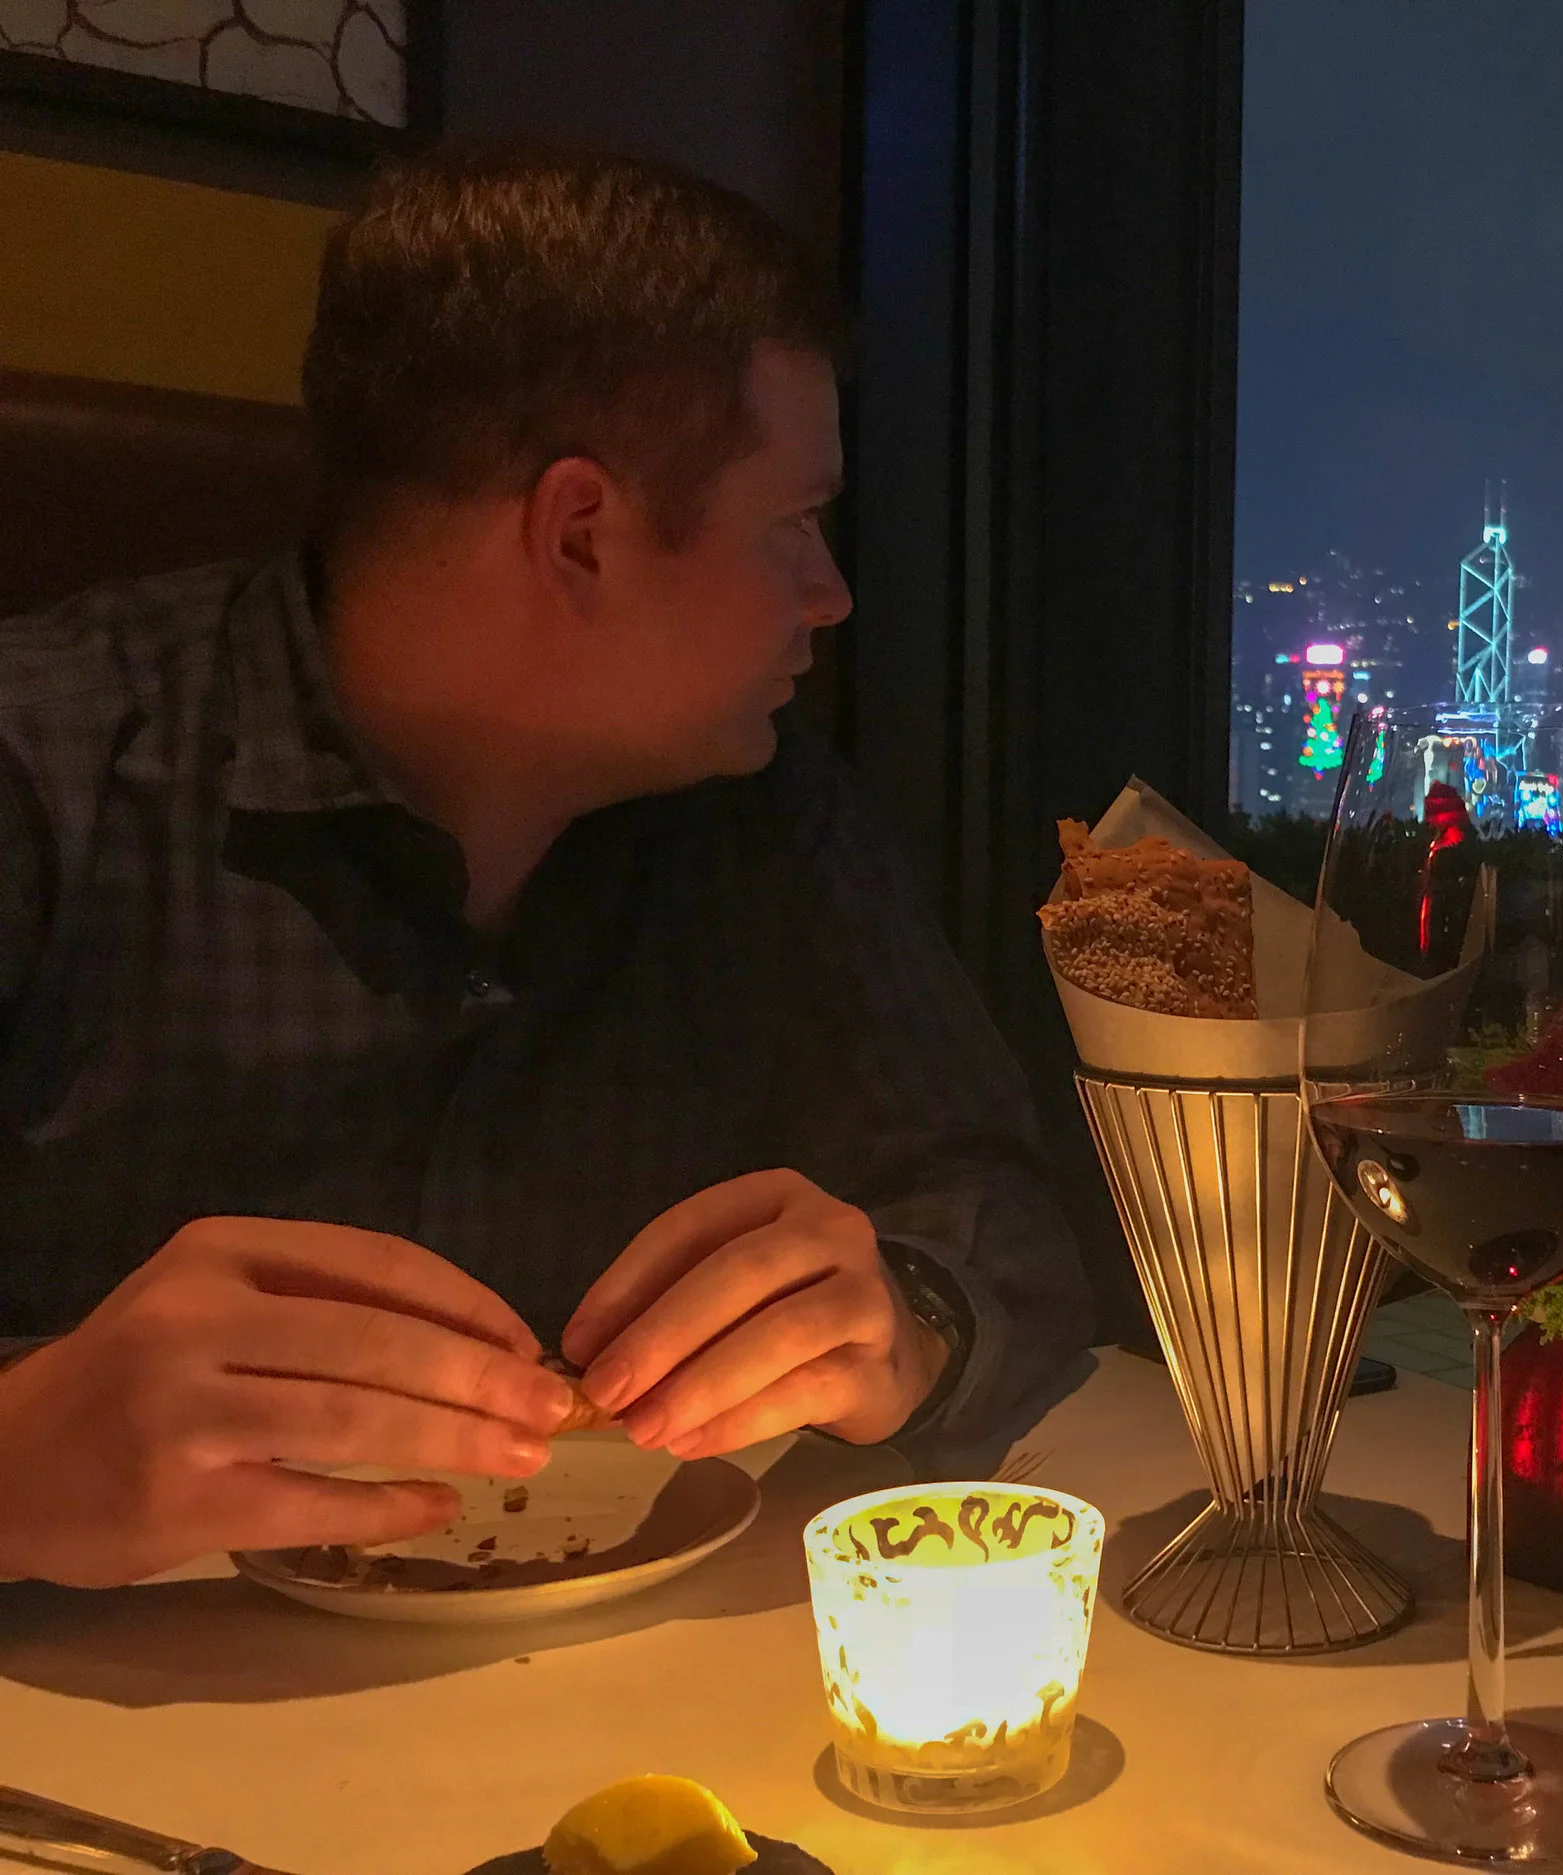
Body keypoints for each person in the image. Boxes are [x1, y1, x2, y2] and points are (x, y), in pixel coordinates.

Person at [0, 146, 1093, 1588]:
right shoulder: (47, 776)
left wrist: (904, 1322)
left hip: (638, 1697)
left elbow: (1005, 1224)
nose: (830, 596)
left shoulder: (762, 817)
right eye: (795, 524)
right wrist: (19, 1456)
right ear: (581, 535)